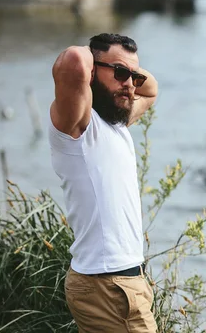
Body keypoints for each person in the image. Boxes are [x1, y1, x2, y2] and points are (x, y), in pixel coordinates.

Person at [48, 33, 158, 332]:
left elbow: (151, 89)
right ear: (93, 72)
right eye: (120, 74)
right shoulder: (78, 126)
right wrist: (92, 56)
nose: (130, 84)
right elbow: (73, 60)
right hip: (108, 285)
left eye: (133, 76)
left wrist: (124, 69)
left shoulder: (116, 123)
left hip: (121, 283)